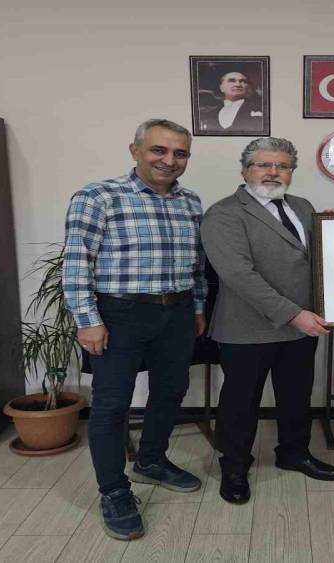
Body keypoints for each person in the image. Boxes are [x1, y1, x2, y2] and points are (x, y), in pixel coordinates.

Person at [63, 118, 207, 541]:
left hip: (177, 312)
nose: (169, 160)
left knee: (171, 391)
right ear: (135, 151)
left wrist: (198, 309)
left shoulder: (191, 202)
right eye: (159, 150)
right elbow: (77, 261)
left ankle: (151, 461)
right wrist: (88, 320)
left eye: (180, 153)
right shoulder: (98, 196)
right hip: (119, 314)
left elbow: (197, 266)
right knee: (111, 406)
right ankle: (114, 491)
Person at [201, 137, 334, 505]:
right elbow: (239, 275)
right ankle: (234, 466)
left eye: (282, 166)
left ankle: (294, 453)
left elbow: (315, 257)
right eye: (263, 164)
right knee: (240, 402)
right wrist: (294, 315)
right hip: (247, 328)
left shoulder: (302, 206)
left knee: (296, 396)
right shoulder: (223, 213)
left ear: (291, 172)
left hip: (302, 326)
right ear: (245, 170)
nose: (273, 172)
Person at [198, 71, 265, 132]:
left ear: (247, 87)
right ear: (221, 88)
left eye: (243, 81)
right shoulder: (209, 115)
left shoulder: (260, 110)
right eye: (232, 81)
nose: (238, 84)